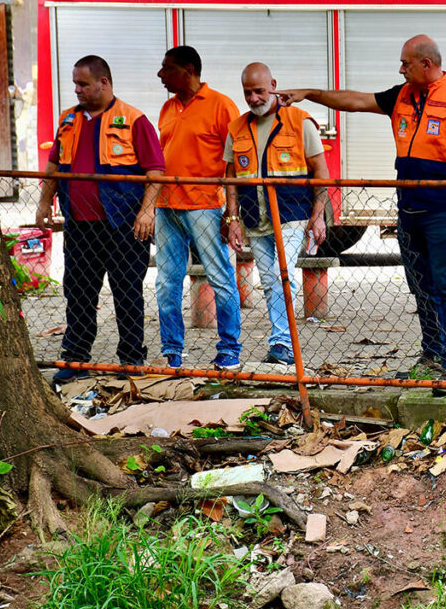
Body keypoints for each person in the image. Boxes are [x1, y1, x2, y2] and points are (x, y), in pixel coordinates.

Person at [278, 34, 446, 393]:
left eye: (406, 63)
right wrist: (308, 93)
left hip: (443, 210)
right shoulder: (402, 95)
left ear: (426, 64)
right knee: (420, 284)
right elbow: (356, 101)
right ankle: (432, 354)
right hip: (408, 209)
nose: (401, 69)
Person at [36, 55, 165, 385]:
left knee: (127, 293)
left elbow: (156, 171)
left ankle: (132, 361)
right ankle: (75, 360)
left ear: (104, 83)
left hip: (124, 226)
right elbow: (53, 168)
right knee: (78, 293)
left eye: (84, 84)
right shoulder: (68, 120)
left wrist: (147, 211)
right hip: (79, 225)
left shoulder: (134, 119)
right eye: (75, 83)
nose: (77, 89)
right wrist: (42, 204)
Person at [223, 63, 329, 365]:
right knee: (270, 280)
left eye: (259, 91)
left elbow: (321, 171)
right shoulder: (237, 128)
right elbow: (230, 178)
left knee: (281, 276)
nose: (254, 98)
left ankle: (282, 342)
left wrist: (318, 215)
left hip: (291, 214)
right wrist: (233, 219)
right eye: (248, 93)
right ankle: (282, 341)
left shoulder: (299, 121)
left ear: (273, 84)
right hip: (255, 218)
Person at [155, 45, 242, 370]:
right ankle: (172, 353)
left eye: (167, 68)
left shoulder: (221, 106)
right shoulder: (167, 108)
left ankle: (230, 349)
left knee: (220, 277)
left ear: (187, 71)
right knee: (166, 282)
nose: (161, 75)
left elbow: (233, 163)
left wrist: (232, 215)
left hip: (204, 206)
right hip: (166, 207)